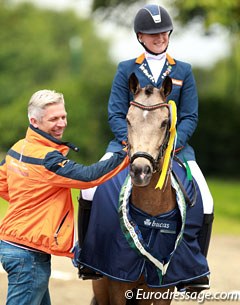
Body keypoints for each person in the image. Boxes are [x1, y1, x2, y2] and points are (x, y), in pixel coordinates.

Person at [79, 4, 214, 290]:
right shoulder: (127, 69)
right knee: (89, 189)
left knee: (207, 198)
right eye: (153, 34)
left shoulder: (183, 71)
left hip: (173, 148)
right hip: (128, 144)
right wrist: (132, 142)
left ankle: (196, 270)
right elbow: (116, 112)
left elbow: (190, 115)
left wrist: (175, 142)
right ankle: (89, 260)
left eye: (164, 32)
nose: (160, 37)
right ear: (140, 36)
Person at [0, 89, 129, 305]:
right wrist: (125, 154)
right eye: (54, 119)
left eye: (63, 116)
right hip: (28, 255)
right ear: (34, 121)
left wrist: (30, 202)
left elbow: (3, 186)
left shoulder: (17, 149)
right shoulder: (47, 159)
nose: (61, 123)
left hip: (15, 245)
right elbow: (89, 177)